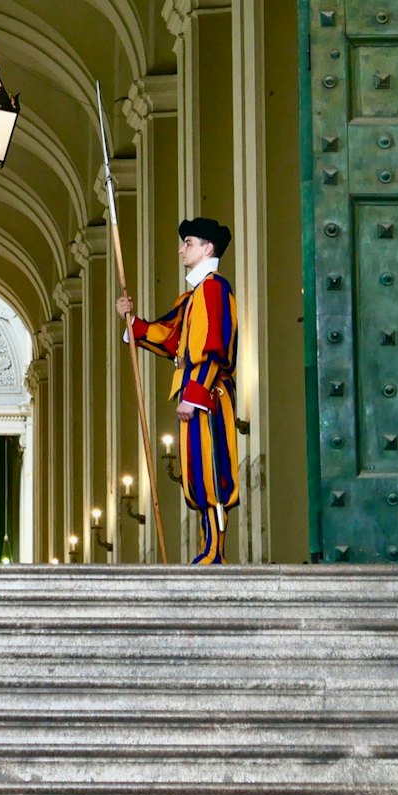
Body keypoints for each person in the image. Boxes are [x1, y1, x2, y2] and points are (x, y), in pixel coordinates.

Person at [116, 217, 240, 565]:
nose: (181, 248)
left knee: (213, 471)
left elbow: (215, 346)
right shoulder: (195, 295)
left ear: (207, 248)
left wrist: (196, 394)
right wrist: (132, 321)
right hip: (196, 395)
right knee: (196, 473)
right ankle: (207, 546)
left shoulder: (214, 289)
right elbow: (171, 337)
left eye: (188, 242)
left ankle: (216, 550)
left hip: (209, 395)